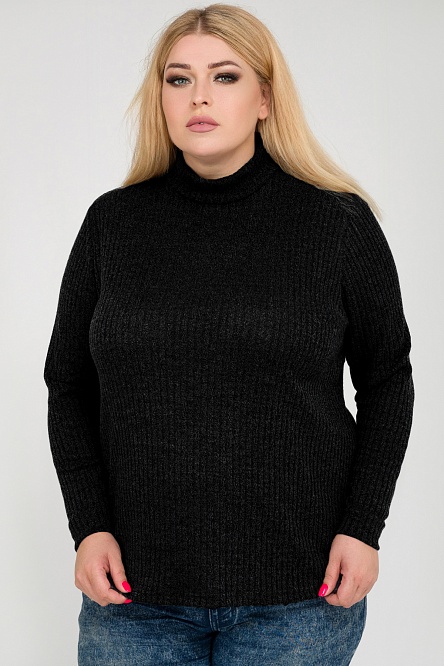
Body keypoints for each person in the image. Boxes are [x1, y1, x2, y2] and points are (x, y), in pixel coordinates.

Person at [43, 4, 414, 665]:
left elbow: (387, 382)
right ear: (160, 97)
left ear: (265, 98)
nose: (200, 96)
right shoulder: (113, 226)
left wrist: (363, 527)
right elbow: (68, 384)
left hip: (298, 599)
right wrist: (89, 525)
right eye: (178, 79)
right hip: (134, 600)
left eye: (225, 76)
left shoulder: (336, 224)